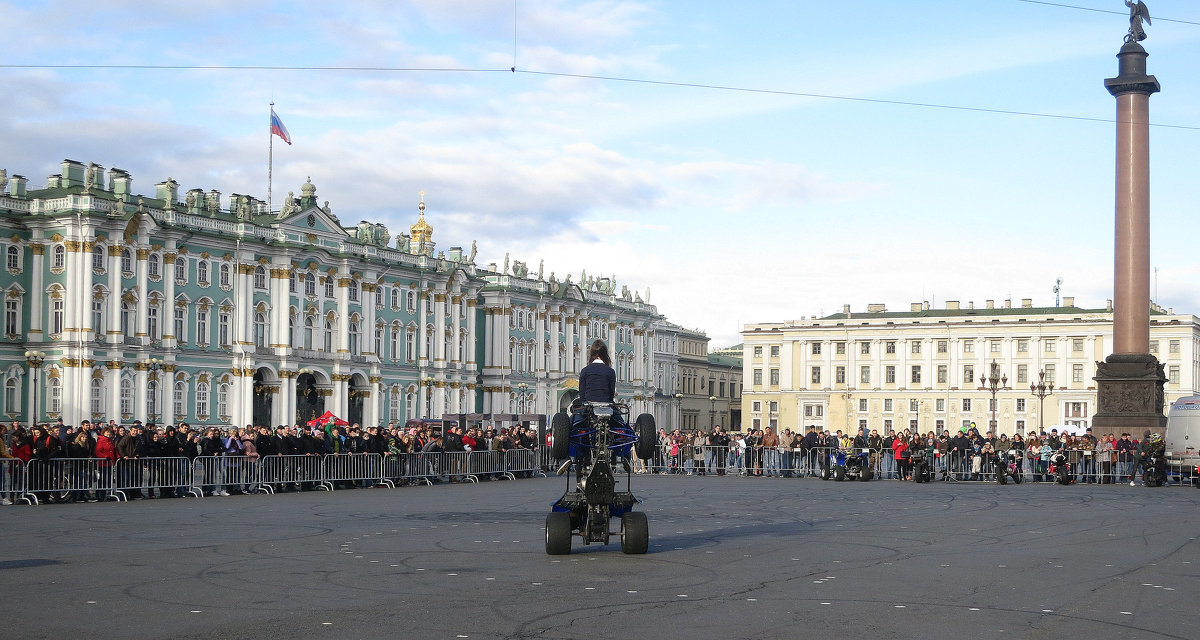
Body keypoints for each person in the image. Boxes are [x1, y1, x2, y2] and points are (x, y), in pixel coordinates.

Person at [579, 339, 616, 404]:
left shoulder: (585, 371)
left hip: (588, 405)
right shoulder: (610, 371)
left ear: (591, 354)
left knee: (575, 413)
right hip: (606, 404)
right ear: (605, 355)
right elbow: (611, 393)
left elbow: (582, 393)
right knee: (618, 413)